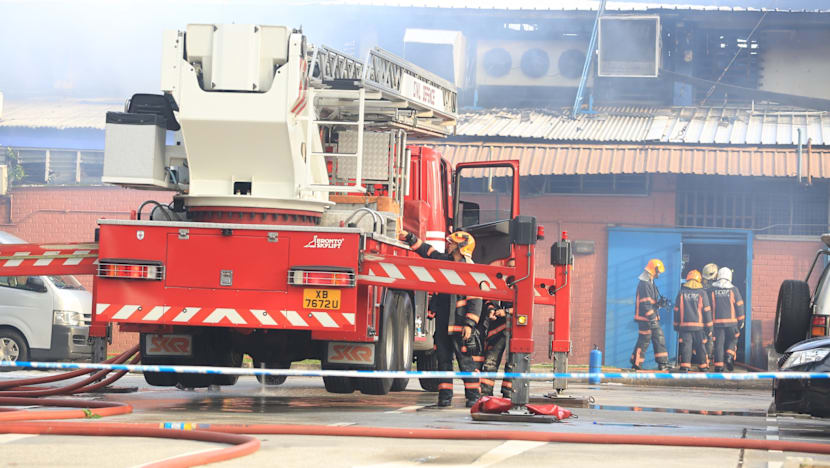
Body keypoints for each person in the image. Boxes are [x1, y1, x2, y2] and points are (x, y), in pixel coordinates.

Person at [401, 230, 482, 407]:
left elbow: (476, 299)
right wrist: (410, 238)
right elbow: (428, 252)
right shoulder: (445, 262)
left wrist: (470, 323)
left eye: (453, 243)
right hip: (444, 323)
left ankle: (473, 397)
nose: (449, 245)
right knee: (443, 361)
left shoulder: (471, 269)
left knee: (466, 362)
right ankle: (445, 397)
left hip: (460, 325)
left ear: (462, 247)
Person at [479, 257, 516, 398]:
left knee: (513, 363)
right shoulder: (500, 282)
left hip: (515, 330)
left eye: (514, 267)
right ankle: (486, 392)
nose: (511, 269)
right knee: (490, 362)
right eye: (509, 267)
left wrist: (506, 312)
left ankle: (508, 393)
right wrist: (491, 310)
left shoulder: (523, 284)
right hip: (497, 329)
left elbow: (524, 305)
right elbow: (489, 299)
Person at [630, 258, 670, 370]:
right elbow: (645, 304)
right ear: (654, 270)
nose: (659, 274)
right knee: (645, 340)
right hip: (646, 319)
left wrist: (659, 304)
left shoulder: (650, 282)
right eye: (659, 271)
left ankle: (661, 363)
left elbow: (650, 303)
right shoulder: (645, 284)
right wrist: (652, 318)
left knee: (655, 338)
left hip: (649, 317)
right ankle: (637, 364)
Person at [673, 270, 713, 372]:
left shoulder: (681, 293)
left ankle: (685, 366)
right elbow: (707, 311)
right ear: (699, 280)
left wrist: (676, 325)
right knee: (700, 346)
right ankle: (703, 366)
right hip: (699, 326)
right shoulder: (702, 293)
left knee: (686, 345)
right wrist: (709, 327)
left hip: (685, 326)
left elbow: (676, 310)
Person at [709, 267, 745, 372]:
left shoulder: (712, 290)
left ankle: (719, 366)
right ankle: (729, 356)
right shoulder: (734, 289)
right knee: (733, 339)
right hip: (732, 323)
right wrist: (741, 320)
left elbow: (708, 307)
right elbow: (739, 305)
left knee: (719, 344)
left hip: (717, 324)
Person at [701, 263, 719, 364]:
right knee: (710, 336)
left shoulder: (700, 286)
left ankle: (705, 357)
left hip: (701, 315)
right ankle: (708, 357)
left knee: (705, 336)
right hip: (711, 315)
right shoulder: (714, 288)